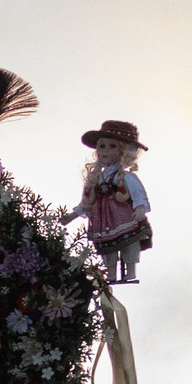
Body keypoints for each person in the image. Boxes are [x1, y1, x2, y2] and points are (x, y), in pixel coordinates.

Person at [69, 120, 151, 284]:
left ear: (124, 151)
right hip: (102, 220)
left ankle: (130, 270)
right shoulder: (96, 178)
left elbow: (138, 195)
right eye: (102, 146)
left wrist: (140, 209)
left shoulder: (127, 177)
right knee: (107, 247)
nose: (105, 151)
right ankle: (111, 273)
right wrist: (73, 215)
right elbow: (86, 202)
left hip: (123, 217)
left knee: (129, 244)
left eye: (112, 146)